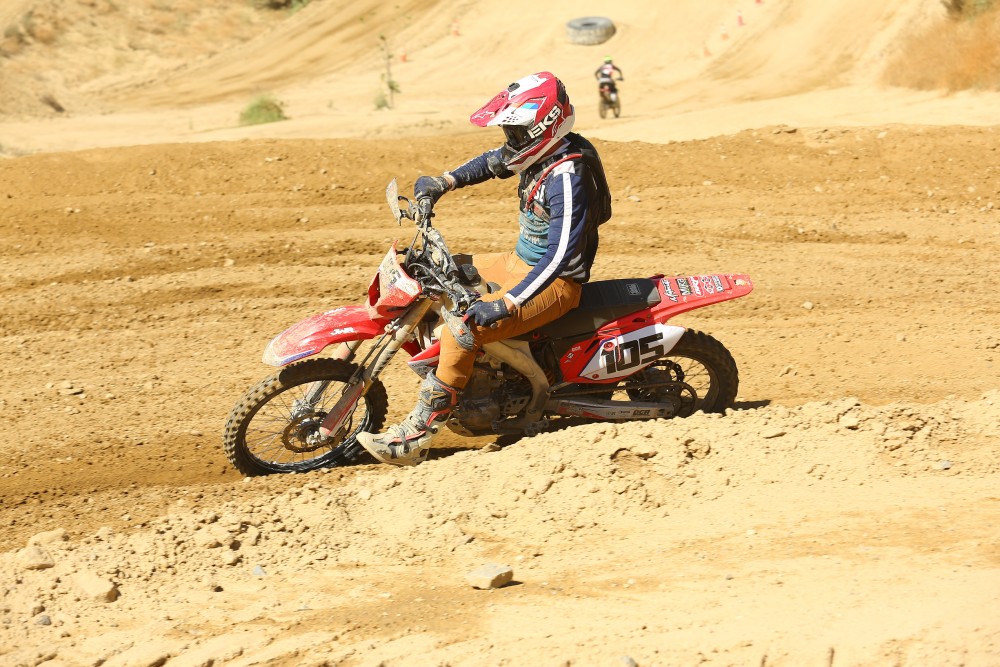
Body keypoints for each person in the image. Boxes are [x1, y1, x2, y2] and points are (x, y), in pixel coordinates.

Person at [357, 71, 612, 466]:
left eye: (517, 131)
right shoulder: (541, 151)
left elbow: (560, 255)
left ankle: (418, 434)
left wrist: (506, 303)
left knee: (464, 329)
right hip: (521, 262)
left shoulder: (567, 176)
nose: (511, 139)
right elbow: (494, 162)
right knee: (437, 273)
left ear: (543, 126)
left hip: (555, 282)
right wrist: (443, 181)